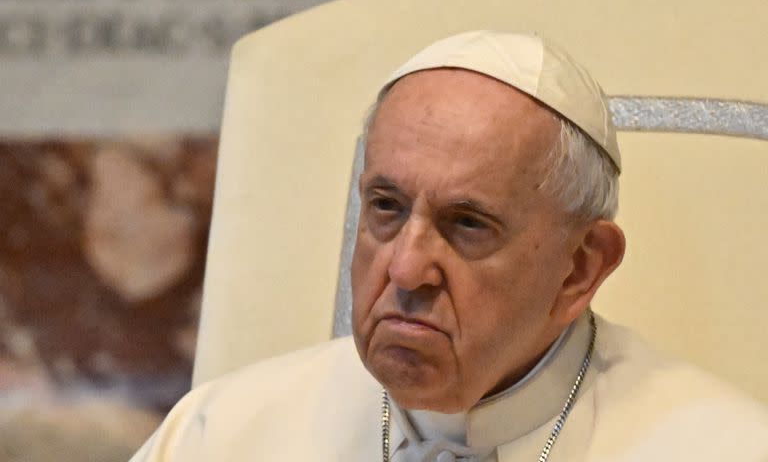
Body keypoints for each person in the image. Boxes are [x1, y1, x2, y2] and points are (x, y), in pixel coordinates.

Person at [129, 31, 768, 461]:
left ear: (580, 268)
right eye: (386, 207)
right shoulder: (223, 436)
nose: (405, 269)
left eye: (468, 225)